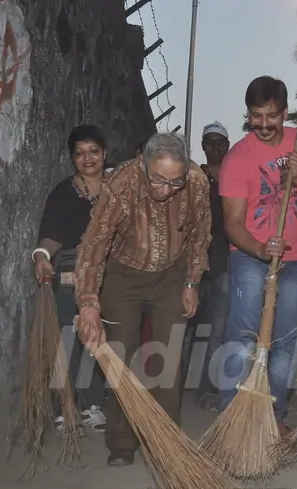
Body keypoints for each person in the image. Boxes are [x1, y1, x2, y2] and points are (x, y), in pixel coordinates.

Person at [74, 132, 211, 467]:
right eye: (158, 180)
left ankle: (167, 441)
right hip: (124, 277)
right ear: (143, 164)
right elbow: (94, 248)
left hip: (171, 276)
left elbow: (200, 234)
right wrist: (89, 304)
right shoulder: (120, 185)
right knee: (122, 356)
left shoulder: (195, 182)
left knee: (170, 356)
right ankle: (122, 441)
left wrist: (192, 281)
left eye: (174, 182)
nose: (166, 190)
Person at [217, 76, 297, 437]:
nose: (263, 124)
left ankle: (272, 419)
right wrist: (260, 249)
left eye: (271, 115)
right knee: (243, 336)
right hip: (249, 255)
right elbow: (232, 224)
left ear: (285, 112)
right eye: (255, 116)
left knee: (286, 340)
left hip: (294, 259)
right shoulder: (237, 159)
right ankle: (230, 417)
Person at [32, 124, 108, 432]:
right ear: (72, 158)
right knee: (67, 337)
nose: (87, 158)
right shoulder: (63, 194)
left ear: (105, 152)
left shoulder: (118, 189)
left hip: (108, 271)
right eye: (79, 153)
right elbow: (50, 237)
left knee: (97, 338)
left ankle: (92, 404)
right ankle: (64, 405)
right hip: (70, 270)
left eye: (93, 151)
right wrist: (41, 257)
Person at [183, 121, 232, 411]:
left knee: (217, 329)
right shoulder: (192, 179)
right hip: (193, 266)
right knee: (186, 327)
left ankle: (207, 389)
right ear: (203, 145)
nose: (215, 146)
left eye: (219, 142)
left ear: (227, 145)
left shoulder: (234, 177)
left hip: (225, 263)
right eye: (209, 141)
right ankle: (176, 387)